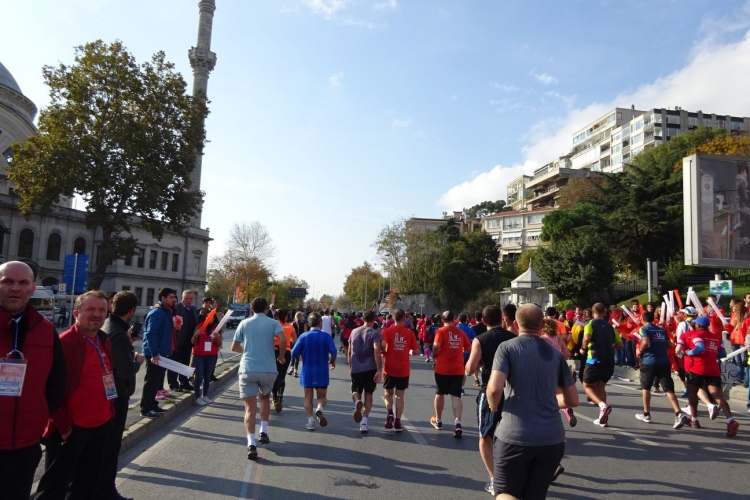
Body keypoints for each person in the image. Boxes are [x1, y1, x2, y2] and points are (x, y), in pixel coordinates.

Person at [486, 304, 578, 499]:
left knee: (505, 492)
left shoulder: (507, 348)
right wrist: (547, 401)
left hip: (515, 436)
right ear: (542, 324)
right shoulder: (555, 354)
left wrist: (493, 405)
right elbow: (572, 399)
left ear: (515, 324)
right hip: (552, 438)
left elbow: (494, 389)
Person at [35, 291, 115, 500]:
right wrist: (64, 427)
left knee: (85, 487)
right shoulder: (65, 342)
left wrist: (110, 411)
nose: (97, 314)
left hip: (100, 425)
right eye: (90, 309)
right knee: (53, 490)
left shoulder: (104, 339)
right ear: (76, 313)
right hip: (70, 430)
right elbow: (49, 389)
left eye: (102, 310)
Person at [0, 261, 66, 500]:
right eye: (7, 281)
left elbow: (57, 381)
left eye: (23, 282)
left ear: (32, 288)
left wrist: (40, 413)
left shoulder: (46, 329)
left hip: (25, 447)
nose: (15, 288)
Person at [464, 304, 515, 495]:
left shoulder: (480, 339)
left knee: (485, 436)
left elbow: (470, 369)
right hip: (511, 391)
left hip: (489, 391)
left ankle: (495, 480)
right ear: (502, 318)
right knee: (513, 434)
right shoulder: (514, 337)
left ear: (483, 321)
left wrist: (472, 366)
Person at [97, 291, 143, 500]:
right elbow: (124, 370)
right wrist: (137, 362)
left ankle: (102, 489)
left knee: (105, 447)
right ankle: (106, 491)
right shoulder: (117, 333)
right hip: (117, 396)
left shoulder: (109, 326)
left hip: (109, 394)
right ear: (131, 311)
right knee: (110, 447)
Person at [231, 297, 286, 460]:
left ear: (251, 308)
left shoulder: (244, 323)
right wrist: (281, 356)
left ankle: (251, 443)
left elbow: (234, 346)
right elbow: (283, 339)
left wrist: (247, 351)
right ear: (266, 309)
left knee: (249, 408)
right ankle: (263, 431)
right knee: (265, 399)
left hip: (248, 368)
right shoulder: (273, 323)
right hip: (268, 368)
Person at [677, 316, 739, 436]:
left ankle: (694, 419)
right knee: (718, 396)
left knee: (692, 394)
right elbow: (722, 353)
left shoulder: (695, 334)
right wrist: (711, 354)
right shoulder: (716, 337)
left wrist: (689, 352)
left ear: (698, 325)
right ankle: (731, 420)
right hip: (713, 369)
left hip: (696, 368)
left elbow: (700, 348)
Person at [634, 311, 689, 429]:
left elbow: (645, 342)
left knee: (646, 387)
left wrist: (640, 351)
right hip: (664, 361)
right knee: (668, 388)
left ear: (643, 319)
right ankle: (678, 413)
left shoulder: (644, 329)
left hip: (649, 361)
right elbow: (670, 345)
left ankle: (646, 414)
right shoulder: (661, 330)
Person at [290, 312, 337, 431]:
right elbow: (334, 352)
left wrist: (302, 353)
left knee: (308, 398)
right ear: (320, 323)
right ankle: (320, 408)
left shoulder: (303, 336)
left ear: (309, 324)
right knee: (322, 397)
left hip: (307, 371)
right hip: (322, 370)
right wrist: (332, 361)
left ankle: (310, 422)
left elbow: (293, 353)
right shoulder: (326, 336)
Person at [580, 303, 623, 427]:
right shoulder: (610, 327)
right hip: (609, 360)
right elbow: (620, 345)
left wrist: (583, 348)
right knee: (601, 387)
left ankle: (602, 405)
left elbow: (586, 338)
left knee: (587, 386)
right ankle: (602, 418)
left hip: (594, 359)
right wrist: (609, 347)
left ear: (593, 312)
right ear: (604, 312)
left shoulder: (590, 324)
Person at [430, 310, 472, 437]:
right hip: (457, 368)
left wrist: (434, 354)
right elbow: (468, 348)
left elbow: (436, 346)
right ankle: (458, 423)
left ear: (442, 320)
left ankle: (438, 420)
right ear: (454, 319)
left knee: (440, 393)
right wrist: (459, 350)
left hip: (442, 368)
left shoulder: (441, 331)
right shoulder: (460, 332)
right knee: (456, 396)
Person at [138, 288, 177, 418]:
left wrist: (167, 350)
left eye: (174, 297)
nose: (173, 299)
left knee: (157, 380)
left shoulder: (166, 312)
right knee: (151, 380)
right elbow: (150, 334)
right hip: (154, 353)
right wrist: (154, 353)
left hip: (162, 352)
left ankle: (153, 404)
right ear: (163, 298)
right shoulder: (157, 313)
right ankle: (145, 408)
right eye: (171, 297)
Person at [380, 308, 419, 433]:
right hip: (403, 369)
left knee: (388, 393)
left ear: (393, 318)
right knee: (399, 396)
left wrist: (384, 351)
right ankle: (397, 421)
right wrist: (409, 351)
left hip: (389, 368)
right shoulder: (410, 333)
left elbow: (382, 344)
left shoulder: (387, 331)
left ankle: (389, 412)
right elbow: (416, 351)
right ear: (404, 319)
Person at [347, 310, 382, 433]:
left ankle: (357, 401)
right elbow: (377, 349)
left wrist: (350, 367)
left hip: (356, 367)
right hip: (370, 368)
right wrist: (379, 369)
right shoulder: (375, 333)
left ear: (363, 318)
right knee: (369, 394)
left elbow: (349, 350)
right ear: (374, 319)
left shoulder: (354, 332)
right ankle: (364, 422)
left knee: (355, 391)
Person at [169, 290, 200, 392]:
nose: (188, 301)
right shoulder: (177, 307)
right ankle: (173, 384)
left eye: (190, 299)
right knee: (175, 362)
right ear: (182, 298)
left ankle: (184, 382)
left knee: (185, 362)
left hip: (189, 341)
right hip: (178, 340)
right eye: (186, 298)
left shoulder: (194, 309)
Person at [192, 307, 221, 405]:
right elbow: (193, 342)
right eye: (207, 316)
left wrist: (217, 338)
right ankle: (197, 397)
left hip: (211, 355)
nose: (209, 318)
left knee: (207, 377)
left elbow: (219, 344)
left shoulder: (216, 329)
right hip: (199, 355)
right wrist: (196, 335)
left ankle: (205, 395)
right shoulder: (200, 327)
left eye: (211, 317)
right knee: (198, 376)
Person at [272, 309, 297, 412]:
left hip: (274, 351)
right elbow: (295, 340)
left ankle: (274, 398)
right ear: (286, 317)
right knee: (282, 376)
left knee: (274, 375)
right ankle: (280, 396)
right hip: (286, 351)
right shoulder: (290, 327)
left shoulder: (273, 325)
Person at [289, 311, 309, 377]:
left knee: (292, 354)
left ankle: (291, 367)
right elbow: (305, 333)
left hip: (293, 340)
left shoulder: (292, 324)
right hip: (300, 341)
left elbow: (290, 333)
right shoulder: (303, 324)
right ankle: (295, 370)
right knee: (297, 355)